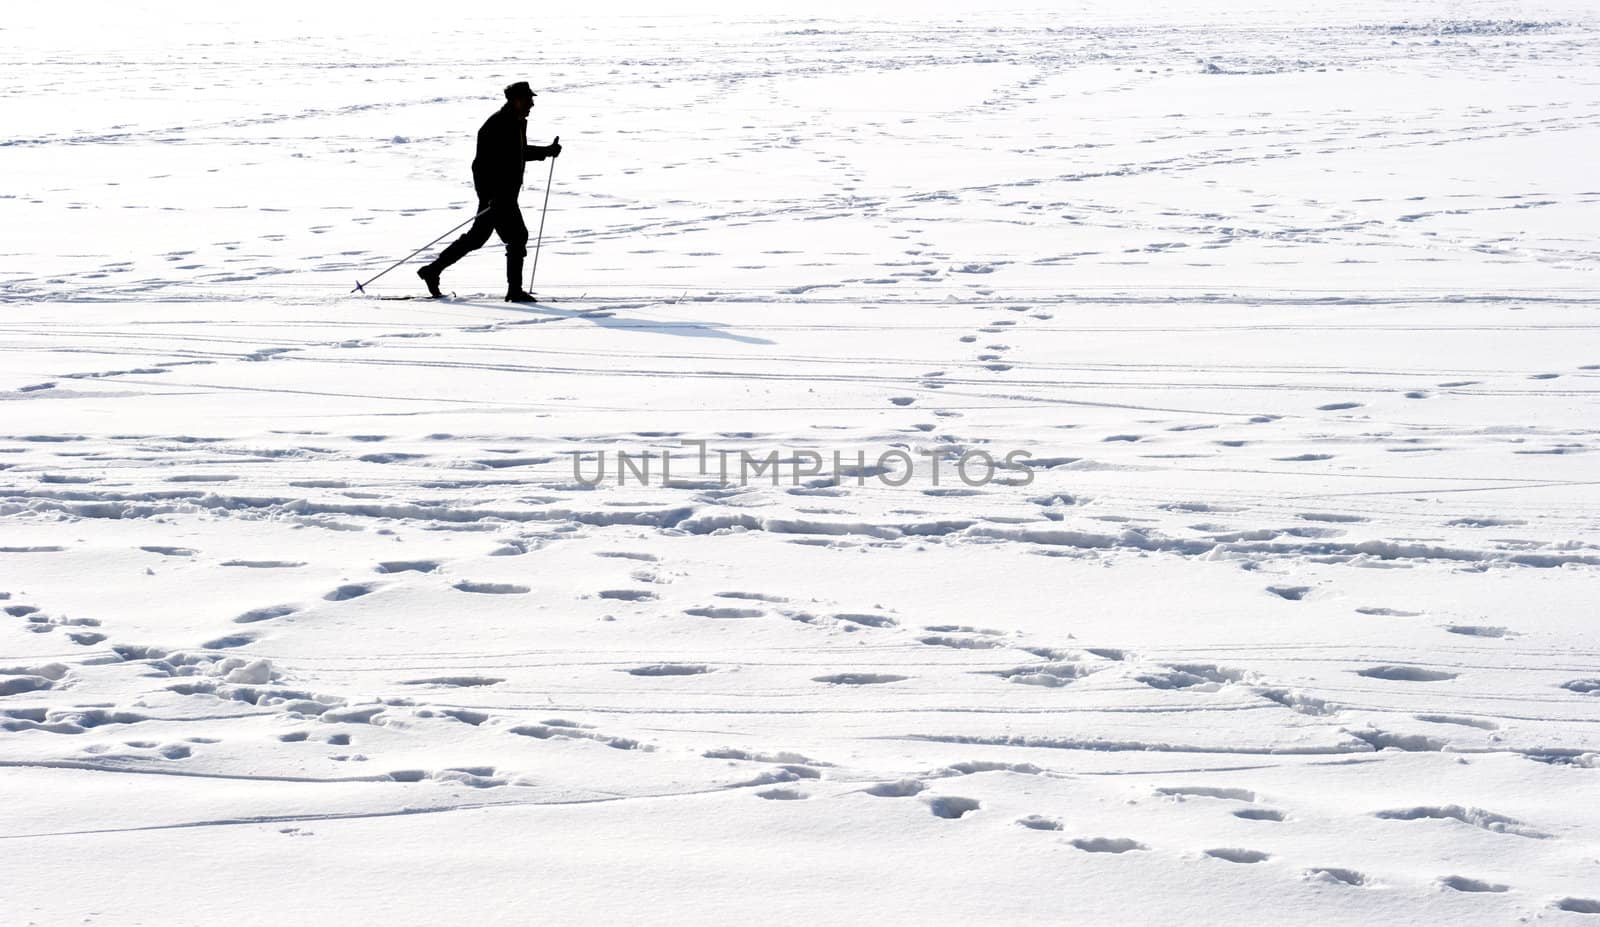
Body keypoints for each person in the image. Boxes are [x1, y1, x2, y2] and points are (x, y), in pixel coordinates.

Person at [418, 81, 561, 302]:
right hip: (498, 196)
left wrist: (547, 151)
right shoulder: (497, 125)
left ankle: (432, 270)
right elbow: (481, 165)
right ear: (517, 100)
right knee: (517, 236)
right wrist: (489, 196)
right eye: (529, 99)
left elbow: (518, 153)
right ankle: (514, 291)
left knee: (476, 239)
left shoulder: (515, 122)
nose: (532, 104)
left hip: (504, 195)